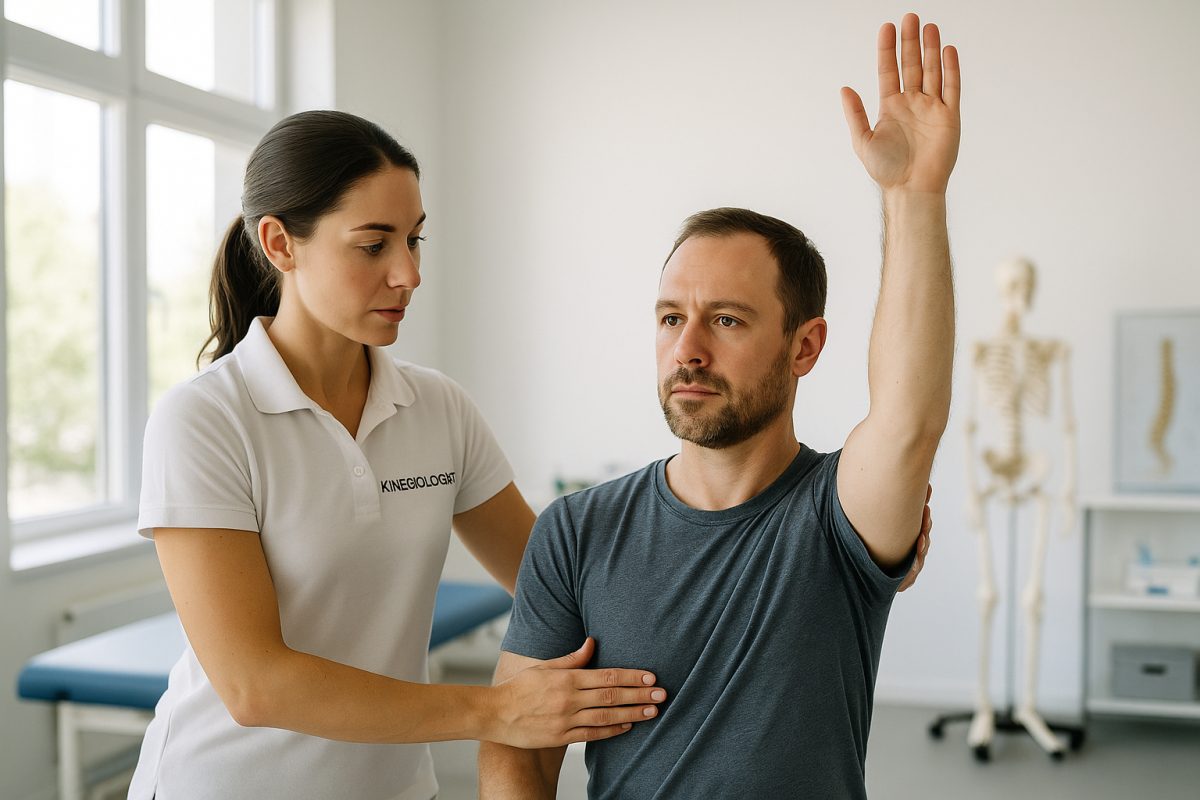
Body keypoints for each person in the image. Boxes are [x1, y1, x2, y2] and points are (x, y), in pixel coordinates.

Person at [478, 12, 958, 800]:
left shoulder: (840, 517)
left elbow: (908, 419)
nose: (687, 349)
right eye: (672, 318)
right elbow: (517, 747)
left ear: (804, 347)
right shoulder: (575, 530)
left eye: (727, 320)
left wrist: (913, 197)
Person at [128, 110, 670, 800]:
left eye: (414, 240)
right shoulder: (204, 419)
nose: (408, 273)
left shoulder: (437, 408)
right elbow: (253, 685)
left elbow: (555, 585)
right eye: (373, 244)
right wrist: (496, 711)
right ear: (279, 243)